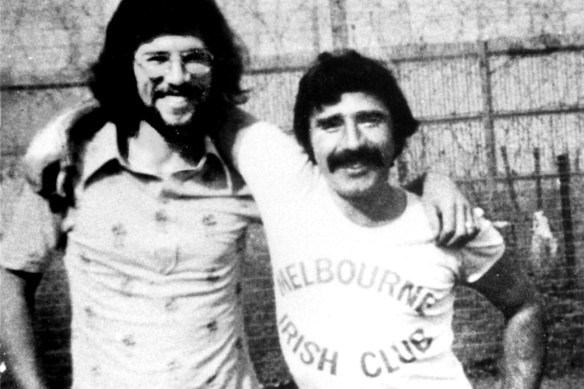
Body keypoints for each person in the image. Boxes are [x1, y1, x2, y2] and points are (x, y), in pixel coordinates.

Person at [0, 1, 477, 389]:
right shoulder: (68, 166)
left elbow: (353, 186)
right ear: (128, 67)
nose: (178, 75)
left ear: (215, 67)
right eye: (156, 58)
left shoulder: (244, 169)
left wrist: (434, 181)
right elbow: (11, 276)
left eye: (193, 57)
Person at [219, 50, 546, 388]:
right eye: (331, 124)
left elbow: (524, 307)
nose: (353, 142)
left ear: (397, 133)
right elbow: (199, 96)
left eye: (370, 120)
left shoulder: (445, 222)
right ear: (307, 140)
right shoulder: (288, 188)